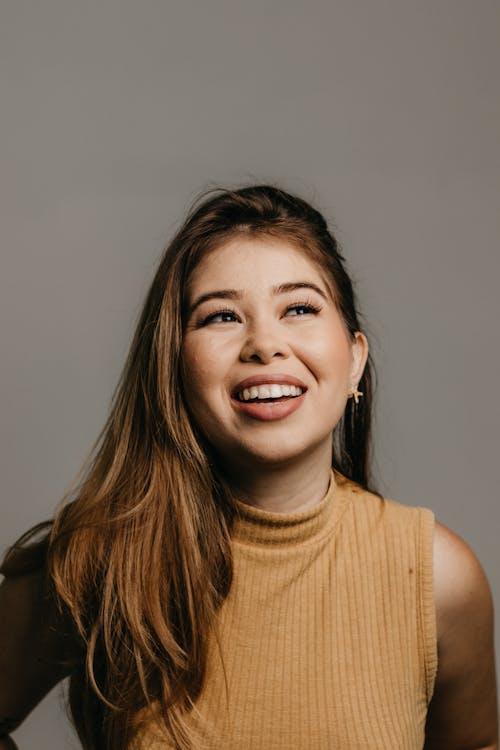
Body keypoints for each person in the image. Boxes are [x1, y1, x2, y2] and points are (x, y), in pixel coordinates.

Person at [0, 185, 497, 750]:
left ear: (355, 359)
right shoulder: (98, 563)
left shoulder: (441, 581)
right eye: (222, 316)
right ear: (174, 367)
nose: (264, 343)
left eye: (301, 308)